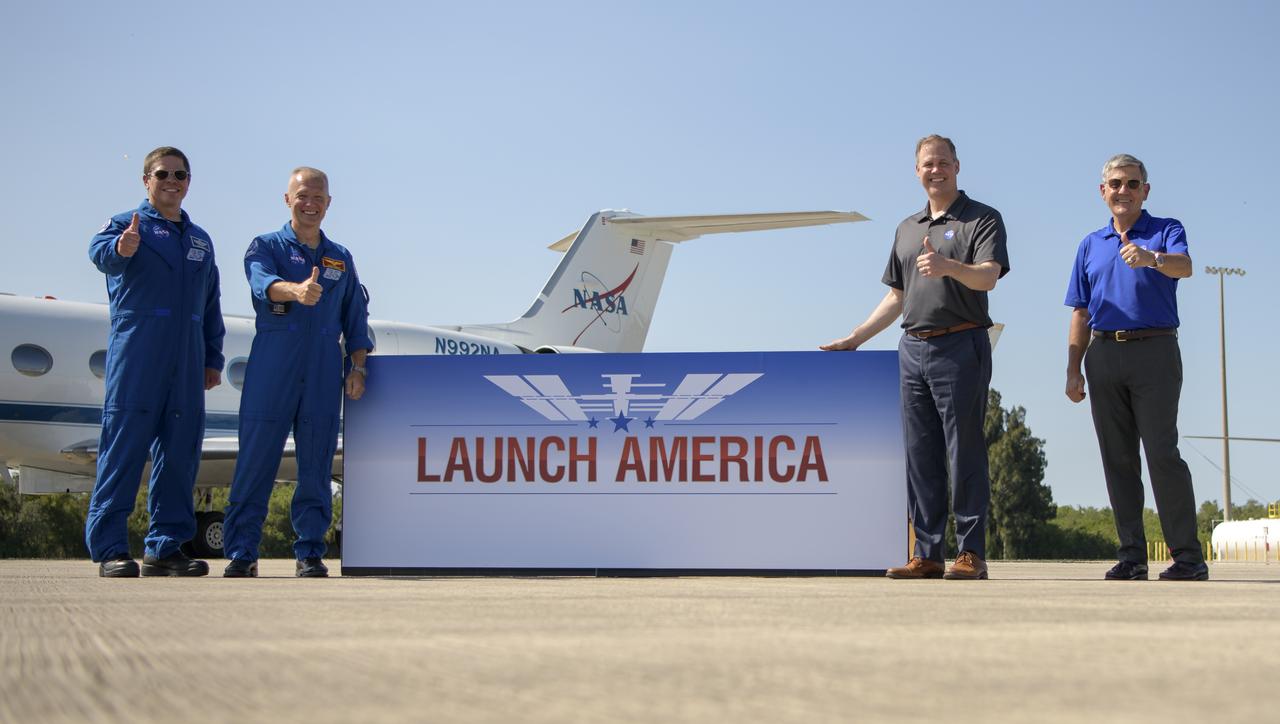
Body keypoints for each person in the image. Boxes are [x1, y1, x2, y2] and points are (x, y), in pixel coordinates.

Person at [822, 135, 1009, 580]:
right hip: (913, 349)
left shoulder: (981, 218)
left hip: (961, 345)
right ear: (917, 171)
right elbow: (896, 296)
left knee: (964, 451)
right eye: (928, 164)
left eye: (943, 162)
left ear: (957, 166)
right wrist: (856, 337)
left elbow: (988, 279)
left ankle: (970, 553)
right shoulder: (907, 228)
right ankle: (927, 553)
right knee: (919, 454)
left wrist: (950, 268)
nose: (936, 170)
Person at [222, 167, 373, 578]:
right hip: (274, 363)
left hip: (324, 368)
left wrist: (357, 365)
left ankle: (310, 551)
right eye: (302, 195)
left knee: (316, 466)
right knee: (255, 461)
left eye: (318, 197)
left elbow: (356, 318)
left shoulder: (340, 258)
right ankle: (241, 551)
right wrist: (296, 290)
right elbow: (262, 283)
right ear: (287, 199)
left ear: (328, 203)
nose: (310, 204)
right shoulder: (266, 245)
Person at [1064, 154, 1207, 581]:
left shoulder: (1166, 230)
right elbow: (1080, 311)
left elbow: (1186, 266)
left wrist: (1152, 258)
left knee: (1162, 454)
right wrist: (1073, 369)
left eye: (1131, 183)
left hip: (1155, 351)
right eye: (1115, 183)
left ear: (1145, 190)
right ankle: (1132, 556)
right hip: (1104, 355)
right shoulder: (1089, 244)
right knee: (1118, 459)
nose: (1122, 190)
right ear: (1102, 191)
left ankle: (1187, 557)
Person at [85, 146, 225, 577]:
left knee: (180, 453)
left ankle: (165, 547)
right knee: (123, 449)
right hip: (139, 352)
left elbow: (211, 302)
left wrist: (212, 357)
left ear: (188, 182)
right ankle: (109, 547)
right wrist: (121, 249)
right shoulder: (128, 225)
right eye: (162, 173)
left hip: (187, 357)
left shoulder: (200, 239)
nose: (172, 181)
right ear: (146, 180)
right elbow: (99, 252)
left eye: (180, 175)